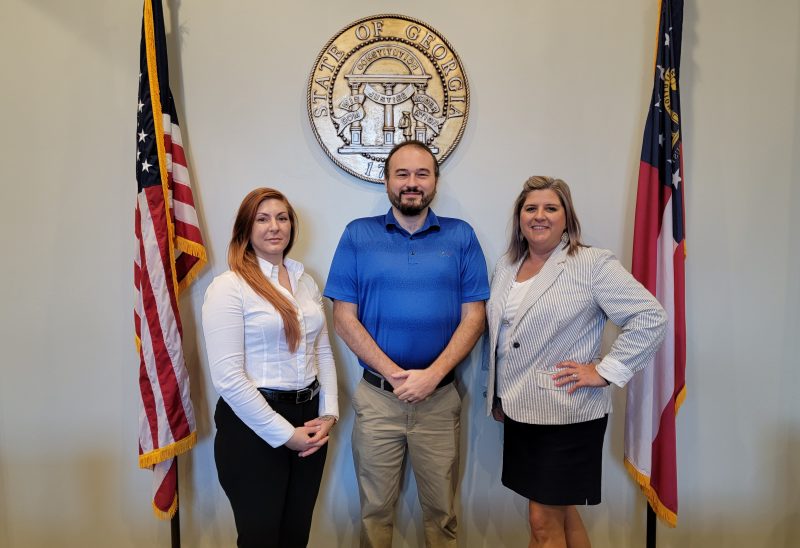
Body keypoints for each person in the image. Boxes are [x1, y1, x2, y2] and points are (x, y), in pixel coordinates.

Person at [485, 176, 667, 548]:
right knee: (562, 512)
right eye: (530, 208)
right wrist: (498, 395)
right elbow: (504, 339)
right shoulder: (507, 267)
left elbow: (650, 317)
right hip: (521, 411)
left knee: (541, 521)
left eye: (551, 208)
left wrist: (604, 371)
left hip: (568, 413)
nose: (540, 216)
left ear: (567, 218)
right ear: (519, 217)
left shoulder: (592, 264)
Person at [324, 140, 489, 547]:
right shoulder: (357, 235)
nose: (411, 183)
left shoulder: (461, 236)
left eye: (421, 174)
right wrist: (395, 375)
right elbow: (343, 317)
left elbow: (475, 317)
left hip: (440, 398)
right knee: (374, 513)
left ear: (435, 181)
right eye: (402, 174)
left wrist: (431, 376)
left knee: (442, 515)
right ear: (386, 182)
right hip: (379, 399)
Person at [202, 188, 338, 548]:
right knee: (260, 538)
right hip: (252, 426)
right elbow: (228, 379)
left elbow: (322, 350)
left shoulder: (305, 282)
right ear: (246, 229)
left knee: (296, 537)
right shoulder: (228, 288)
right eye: (262, 219)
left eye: (282, 217)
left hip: (309, 420)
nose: (274, 226)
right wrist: (285, 434)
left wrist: (329, 414)